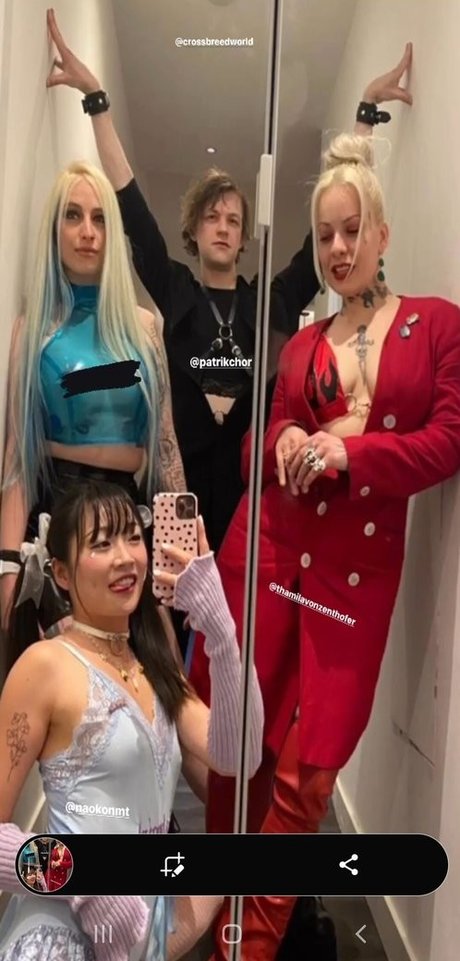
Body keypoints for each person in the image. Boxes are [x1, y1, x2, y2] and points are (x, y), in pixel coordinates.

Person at [190, 132, 460, 959]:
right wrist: (279, 441)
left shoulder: (435, 324)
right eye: (326, 234)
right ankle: (212, 909)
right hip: (273, 552)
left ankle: (248, 941)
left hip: (357, 576)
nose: (339, 248)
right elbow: (256, 446)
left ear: (381, 232)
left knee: (310, 770)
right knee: (243, 747)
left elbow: (448, 439)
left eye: (352, 230)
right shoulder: (303, 344)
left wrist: (353, 454)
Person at [45, 8, 412, 555]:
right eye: (212, 217)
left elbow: (327, 235)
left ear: (243, 238)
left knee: (244, 605)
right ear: (194, 230)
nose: (223, 227)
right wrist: (96, 99)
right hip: (177, 496)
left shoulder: (269, 302)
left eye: (234, 220)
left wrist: (365, 117)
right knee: (179, 601)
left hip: (253, 496)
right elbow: (131, 208)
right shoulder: (176, 292)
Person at [0, 481, 263, 960]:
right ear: (61, 573)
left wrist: (221, 629)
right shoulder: (45, 665)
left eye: (133, 537)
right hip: (62, 930)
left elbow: (240, 758)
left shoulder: (156, 668)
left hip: (145, 926)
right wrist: (82, 881)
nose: (125, 558)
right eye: (101, 544)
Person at [0, 156, 185, 636]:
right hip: (57, 523)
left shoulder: (143, 329)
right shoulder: (33, 331)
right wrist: (7, 567)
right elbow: (17, 461)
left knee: (152, 667)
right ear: (55, 229)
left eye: (100, 218)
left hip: (128, 517)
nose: (87, 232)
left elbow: (166, 451)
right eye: (73, 215)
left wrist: (182, 554)